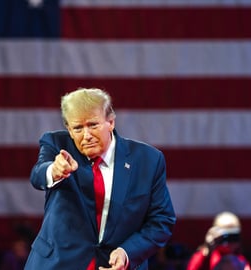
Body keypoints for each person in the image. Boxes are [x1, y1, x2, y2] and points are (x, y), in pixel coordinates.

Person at [24, 88, 176, 270]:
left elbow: (161, 220)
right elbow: (38, 174)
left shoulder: (147, 160)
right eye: (78, 128)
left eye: (93, 125)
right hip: (57, 263)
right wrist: (54, 171)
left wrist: (127, 253)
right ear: (69, 130)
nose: (86, 136)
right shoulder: (57, 144)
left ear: (111, 122)